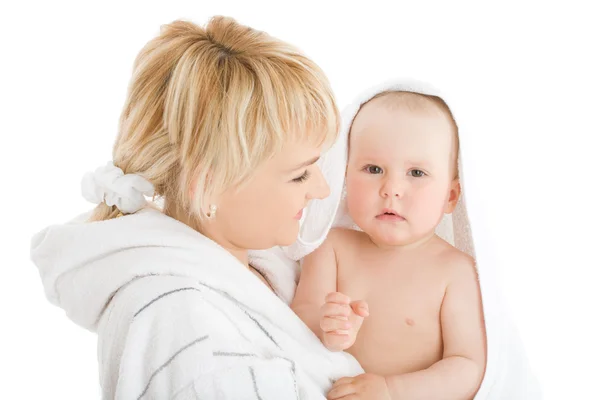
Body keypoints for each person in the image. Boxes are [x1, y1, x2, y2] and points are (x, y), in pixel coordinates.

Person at [30, 16, 362, 399]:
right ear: (208, 187)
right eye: (299, 175)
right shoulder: (187, 330)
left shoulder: (261, 264)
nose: (321, 190)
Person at [292, 89, 487, 400]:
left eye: (416, 173)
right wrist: (328, 327)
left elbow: (467, 367)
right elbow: (300, 316)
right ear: (345, 176)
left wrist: (391, 390)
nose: (391, 189)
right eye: (373, 169)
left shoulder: (455, 271)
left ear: (450, 197)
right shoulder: (331, 247)